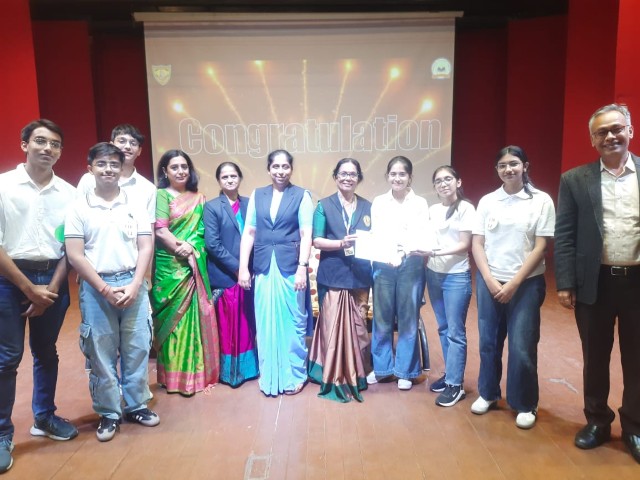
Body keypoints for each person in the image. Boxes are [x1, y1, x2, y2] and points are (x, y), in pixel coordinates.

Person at [555, 103, 640, 463]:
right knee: (595, 357)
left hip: (637, 281)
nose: (610, 136)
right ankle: (597, 421)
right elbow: (565, 235)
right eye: (601, 132)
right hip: (595, 282)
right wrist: (565, 282)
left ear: (630, 131)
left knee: (637, 359)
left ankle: (635, 426)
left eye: (616, 129)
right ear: (592, 140)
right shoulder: (575, 179)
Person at [65, 142, 159, 443]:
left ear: (122, 169)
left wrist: (136, 284)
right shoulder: (79, 207)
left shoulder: (135, 204)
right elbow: (75, 254)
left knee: (137, 347)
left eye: (114, 164)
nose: (108, 169)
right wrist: (104, 289)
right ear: (90, 168)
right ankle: (108, 412)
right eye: (102, 164)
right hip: (96, 287)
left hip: (133, 282)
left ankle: (136, 405)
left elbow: (146, 246)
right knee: (101, 351)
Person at [0, 120, 78, 473]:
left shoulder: (69, 193)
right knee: (7, 359)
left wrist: (53, 288)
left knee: (46, 352)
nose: (48, 148)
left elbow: (71, 247)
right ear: (24, 145)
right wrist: (28, 288)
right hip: (8, 279)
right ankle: (3, 434)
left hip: (53, 278)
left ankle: (44, 417)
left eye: (55, 144)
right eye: (41, 141)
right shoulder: (4, 186)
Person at [471, 145, 554, 429]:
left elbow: (541, 246)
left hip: (526, 284)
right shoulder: (488, 201)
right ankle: (488, 393)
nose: (508, 169)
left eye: (514, 164)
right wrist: (490, 280)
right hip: (490, 282)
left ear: (525, 166)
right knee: (488, 342)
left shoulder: (540, 200)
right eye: (503, 165)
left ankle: (525, 403)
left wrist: (514, 283)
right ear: (497, 169)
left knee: (522, 346)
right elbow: (477, 244)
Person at [238, 149, 313, 397]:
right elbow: (249, 232)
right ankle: (270, 375)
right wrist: (243, 267)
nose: (281, 171)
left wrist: (302, 267)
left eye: (285, 167)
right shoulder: (257, 195)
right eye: (276, 167)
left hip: (290, 266)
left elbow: (306, 234)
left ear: (291, 169)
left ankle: (295, 375)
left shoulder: (302, 195)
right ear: (268, 169)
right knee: (265, 322)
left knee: (294, 321)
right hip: (263, 267)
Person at [151, 150, 219, 395]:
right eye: (174, 167)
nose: (180, 171)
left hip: (192, 267)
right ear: (165, 171)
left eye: (184, 166)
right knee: (172, 322)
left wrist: (192, 248)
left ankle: (195, 375)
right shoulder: (160, 195)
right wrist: (183, 249)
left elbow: (201, 231)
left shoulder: (199, 198)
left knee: (194, 320)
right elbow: (160, 230)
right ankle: (173, 377)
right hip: (170, 267)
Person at [307, 158, 373, 403]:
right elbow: (317, 240)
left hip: (360, 277)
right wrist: (341, 243)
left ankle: (358, 373)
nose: (347, 178)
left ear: (359, 178)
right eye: (343, 173)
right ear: (335, 177)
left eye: (352, 174)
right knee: (334, 330)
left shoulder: (368, 206)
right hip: (333, 276)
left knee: (358, 329)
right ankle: (333, 374)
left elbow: (375, 238)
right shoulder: (324, 206)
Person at [367, 156, 431, 391]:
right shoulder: (379, 202)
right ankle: (382, 368)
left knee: (408, 318)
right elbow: (377, 233)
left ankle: (406, 370)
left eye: (402, 174)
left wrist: (402, 252)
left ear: (410, 177)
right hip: (383, 263)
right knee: (381, 318)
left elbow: (421, 232)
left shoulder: (420, 203)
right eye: (393, 174)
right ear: (387, 177)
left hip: (411, 263)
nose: (397, 178)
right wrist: (388, 254)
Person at [204, 161, 258, 387]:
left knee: (248, 323)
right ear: (219, 180)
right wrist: (238, 268)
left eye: (233, 176)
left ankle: (249, 368)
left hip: (251, 275)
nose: (229, 180)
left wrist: (249, 269)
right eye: (225, 177)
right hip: (226, 277)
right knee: (230, 327)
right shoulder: (212, 207)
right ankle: (229, 372)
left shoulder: (250, 204)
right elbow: (212, 244)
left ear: (240, 178)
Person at [425, 166, 475, 407]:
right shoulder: (433, 210)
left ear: (458, 182)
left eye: (448, 179)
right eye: (438, 181)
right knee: (443, 328)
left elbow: (465, 244)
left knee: (455, 331)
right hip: (433, 274)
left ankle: (456, 385)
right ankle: (449, 375)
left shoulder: (466, 208)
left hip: (456, 276)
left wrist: (434, 252)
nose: (443, 184)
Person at [76, 124, 156, 228]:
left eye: (133, 143)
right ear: (111, 145)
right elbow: (77, 216)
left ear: (139, 151)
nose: (127, 147)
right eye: (122, 141)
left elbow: (149, 230)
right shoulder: (88, 179)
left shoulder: (148, 188)